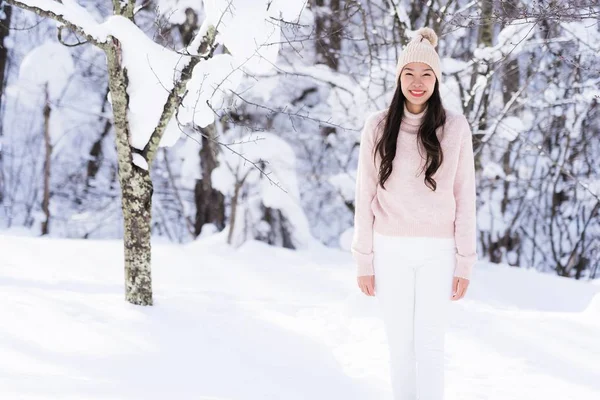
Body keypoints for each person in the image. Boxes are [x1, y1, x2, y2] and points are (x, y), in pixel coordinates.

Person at [350, 27, 477, 400]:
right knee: (400, 348)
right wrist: (363, 260)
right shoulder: (377, 125)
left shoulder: (454, 128)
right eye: (409, 73)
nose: (417, 83)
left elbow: (465, 196)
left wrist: (465, 261)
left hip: (439, 252)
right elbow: (365, 193)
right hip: (390, 250)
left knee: (431, 346)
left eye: (426, 74)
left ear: (436, 80)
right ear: (399, 78)